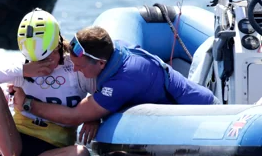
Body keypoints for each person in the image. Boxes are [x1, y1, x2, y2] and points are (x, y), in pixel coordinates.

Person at [0, 8, 98, 156]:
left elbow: (104, 95)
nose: (44, 66)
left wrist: (93, 117)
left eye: (48, 58)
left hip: (53, 152)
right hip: (14, 144)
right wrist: (24, 70)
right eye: (38, 60)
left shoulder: (76, 69)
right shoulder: (24, 69)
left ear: (57, 45)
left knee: (81, 154)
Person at [12, 26, 219, 127]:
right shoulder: (112, 51)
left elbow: (75, 116)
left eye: (79, 66)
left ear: (100, 64)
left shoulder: (124, 79)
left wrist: (28, 104)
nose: (75, 70)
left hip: (207, 115)